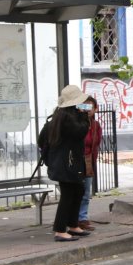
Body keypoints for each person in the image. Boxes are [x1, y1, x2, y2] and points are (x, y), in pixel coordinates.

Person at [40, 85, 92, 242]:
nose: (83, 106)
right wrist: (85, 116)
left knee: (78, 190)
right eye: (80, 103)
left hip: (63, 162)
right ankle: (60, 229)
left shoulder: (58, 117)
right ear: (74, 104)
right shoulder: (69, 120)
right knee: (69, 194)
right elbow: (81, 132)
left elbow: (41, 139)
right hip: (67, 163)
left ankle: (73, 224)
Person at [77, 96, 103, 231]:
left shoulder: (96, 126)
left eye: (90, 107)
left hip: (88, 161)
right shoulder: (77, 124)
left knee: (86, 192)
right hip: (76, 161)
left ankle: (82, 218)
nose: (87, 110)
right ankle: (73, 218)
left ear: (95, 109)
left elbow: (96, 143)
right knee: (75, 191)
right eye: (84, 106)